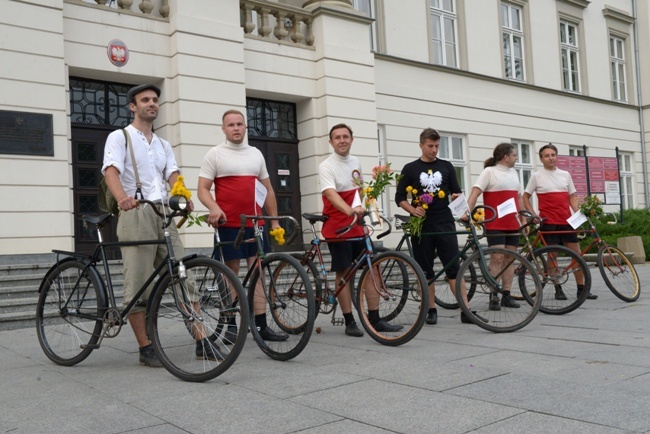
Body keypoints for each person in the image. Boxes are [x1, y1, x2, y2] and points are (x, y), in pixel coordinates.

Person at [102, 84, 217, 366]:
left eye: (155, 100)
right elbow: (111, 172)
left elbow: (173, 175)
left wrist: (181, 196)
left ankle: (202, 341)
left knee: (183, 274)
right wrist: (122, 199)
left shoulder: (163, 144)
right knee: (138, 282)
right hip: (137, 212)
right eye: (145, 100)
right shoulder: (120, 137)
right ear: (133, 106)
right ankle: (145, 347)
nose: (152, 104)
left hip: (164, 213)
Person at [197, 109, 288, 342]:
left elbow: (268, 190)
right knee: (231, 273)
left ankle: (261, 325)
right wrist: (214, 208)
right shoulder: (215, 154)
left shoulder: (255, 154)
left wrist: (274, 221)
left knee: (259, 271)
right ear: (224, 129)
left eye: (239, 124)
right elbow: (202, 189)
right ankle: (229, 324)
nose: (236, 128)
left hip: (256, 224)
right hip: (229, 224)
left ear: (245, 127)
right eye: (231, 125)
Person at [319, 123, 402, 337]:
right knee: (344, 273)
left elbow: (360, 192)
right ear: (331, 142)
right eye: (337, 137)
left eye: (345, 136)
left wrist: (365, 214)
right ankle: (349, 321)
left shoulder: (356, 162)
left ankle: (374, 319)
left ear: (351, 139)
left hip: (356, 225)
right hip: (338, 227)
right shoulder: (326, 166)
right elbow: (330, 194)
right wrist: (350, 211)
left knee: (373, 269)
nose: (342, 140)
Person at [395, 128, 472, 325]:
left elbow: (456, 193)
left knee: (454, 267)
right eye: (430, 146)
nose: (434, 150)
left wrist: (459, 203)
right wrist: (413, 211)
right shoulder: (410, 168)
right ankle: (430, 309)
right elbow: (400, 198)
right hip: (421, 225)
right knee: (425, 269)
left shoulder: (446, 166)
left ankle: (466, 310)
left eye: (437, 146)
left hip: (445, 222)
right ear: (421, 145)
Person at [522, 143, 595, 300]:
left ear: (557, 156)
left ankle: (581, 289)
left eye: (553, 155)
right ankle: (557, 287)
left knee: (576, 254)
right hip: (548, 222)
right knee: (552, 255)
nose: (551, 158)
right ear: (541, 159)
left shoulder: (565, 174)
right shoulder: (537, 176)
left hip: (566, 221)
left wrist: (580, 214)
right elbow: (525, 197)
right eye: (547, 156)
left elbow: (572, 197)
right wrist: (533, 214)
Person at [466, 143, 526, 310]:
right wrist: (467, 211)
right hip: (495, 222)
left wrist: (524, 218)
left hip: (512, 222)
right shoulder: (489, 172)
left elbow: (519, 198)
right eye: (514, 155)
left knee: (510, 258)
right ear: (506, 157)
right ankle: (494, 294)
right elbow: (475, 192)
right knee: (497, 257)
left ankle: (507, 294)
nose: (516, 158)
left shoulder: (514, 173)